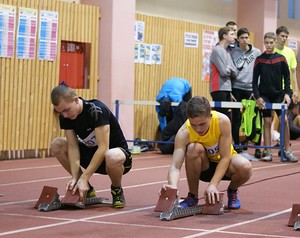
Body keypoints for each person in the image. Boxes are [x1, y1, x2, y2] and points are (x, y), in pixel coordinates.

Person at [162, 96, 252, 209]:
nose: (198, 129)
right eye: (193, 125)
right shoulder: (184, 132)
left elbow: (225, 158)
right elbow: (175, 166)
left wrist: (213, 185)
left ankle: (232, 191)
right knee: (193, 148)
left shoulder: (222, 121)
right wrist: (172, 186)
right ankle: (193, 196)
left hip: (226, 166)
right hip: (204, 168)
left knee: (245, 166)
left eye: (202, 124)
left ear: (210, 116)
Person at [50, 85, 132, 208]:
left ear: (76, 100)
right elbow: (72, 147)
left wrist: (85, 176)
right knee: (57, 144)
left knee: (112, 156)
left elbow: (103, 148)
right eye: (60, 112)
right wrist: (76, 177)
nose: (65, 115)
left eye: (67, 110)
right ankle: (86, 188)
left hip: (116, 159)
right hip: (91, 156)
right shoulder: (65, 117)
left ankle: (117, 190)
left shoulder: (96, 111)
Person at [252, 32, 297, 162]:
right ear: (264, 43)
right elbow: (254, 81)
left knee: (284, 121)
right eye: (267, 43)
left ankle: (287, 150)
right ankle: (267, 151)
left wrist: (288, 94)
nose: (269, 45)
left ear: (275, 43)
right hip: (264, 95)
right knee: (266, 122)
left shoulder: (281, 59)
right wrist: (258, 97)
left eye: (271, 43)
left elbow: (287, 79)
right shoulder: (259, 59)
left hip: (279, 95)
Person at [230, 28, 262, 157]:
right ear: (238, 39)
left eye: (246, 37)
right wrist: (230, 91)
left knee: (254, 118)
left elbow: (260, 72)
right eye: (242, 38)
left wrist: (257, 90)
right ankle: (237, 145)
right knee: (236, 118)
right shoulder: (233, 52)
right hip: (237, 88)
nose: (245, 40)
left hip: (251, 88)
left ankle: (257, 147)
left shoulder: (256, 52)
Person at [210, 26, 238, 118]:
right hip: (218, 88)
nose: (234, 36)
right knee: (220, 116)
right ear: (225, 36)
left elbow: (235, 72)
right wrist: (229, 69)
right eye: (232, 34)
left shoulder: (227, 52)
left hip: (227, 88)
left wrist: (228, 69)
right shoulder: (217, 50)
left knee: (226, 116)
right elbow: (223, 72)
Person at [275, 26, 298, 103]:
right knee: (270, 113)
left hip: (286, 88)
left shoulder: (290, 52)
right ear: (276, 36)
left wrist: (296, 90)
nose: (284, 38)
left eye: (286, 37)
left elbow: (294, 73)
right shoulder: (271, 51)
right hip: (273, 88)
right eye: (282, 36)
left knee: (284, 113)